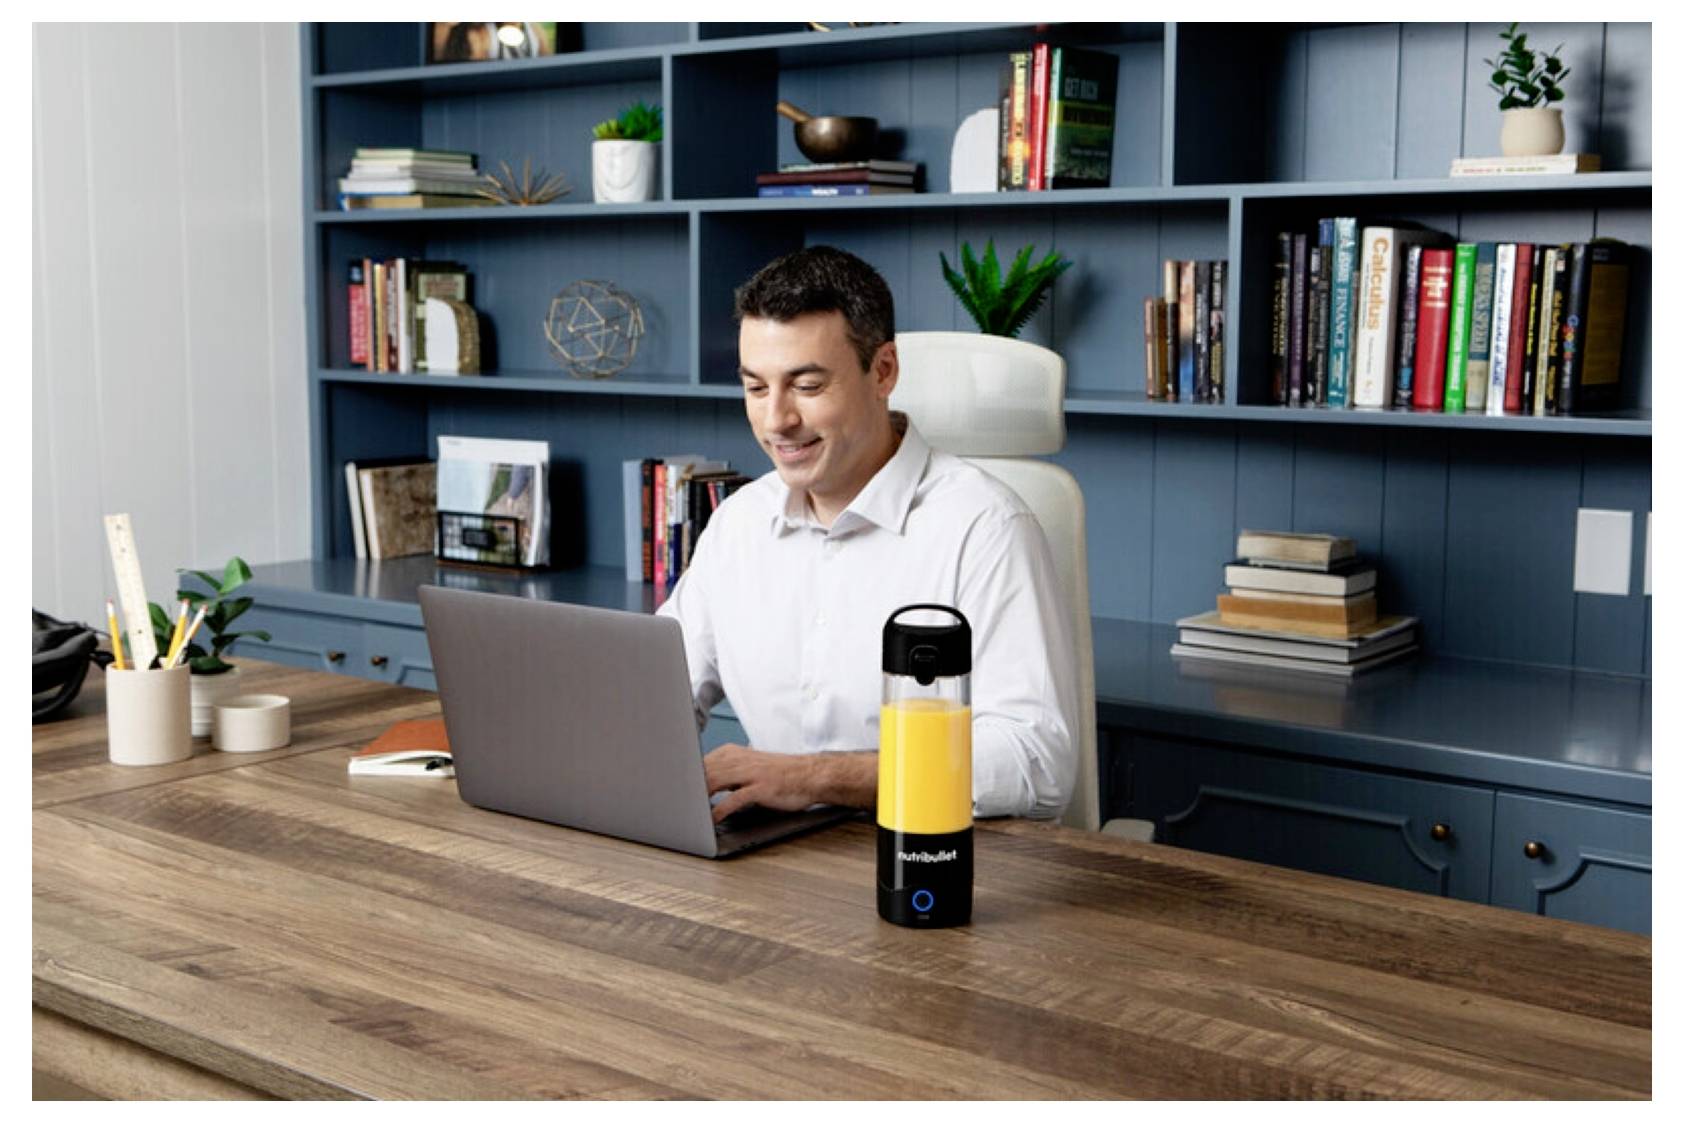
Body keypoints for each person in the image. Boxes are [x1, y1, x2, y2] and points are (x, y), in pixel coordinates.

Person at [657, 246, 1079, 824]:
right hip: (774, 869)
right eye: (756, 388)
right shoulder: (739, 524)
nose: (776, 420)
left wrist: (815, 777)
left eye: (806, 386)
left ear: (883, 371)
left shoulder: (986, 528)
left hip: (937, 868)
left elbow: (1036, 762)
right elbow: (653, 699)